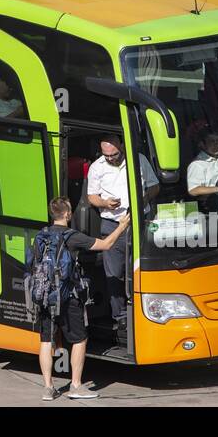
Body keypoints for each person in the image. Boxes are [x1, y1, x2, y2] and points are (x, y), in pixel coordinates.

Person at [35, 197, 131, 402]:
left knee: (46, 341)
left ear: (53, 214)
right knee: (80, 339)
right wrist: (122, 226)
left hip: (44, 295)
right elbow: (106, 245)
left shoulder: (41, 236)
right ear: (68, 214)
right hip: (68, 297)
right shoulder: (72, 237)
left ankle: (48, 388)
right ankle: (76, 385)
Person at [85, 134, 133, 341]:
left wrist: (141, 200)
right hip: (112, 224)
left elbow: (154, 186)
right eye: (107, 156)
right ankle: (120, 317)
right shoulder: (97, 167)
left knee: (137, 271)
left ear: (121, 146)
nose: (111, 158)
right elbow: (91, 196)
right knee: (115, 274)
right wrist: (105, 204)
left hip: (136, 222)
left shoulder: (136, 159)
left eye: (114, 154)